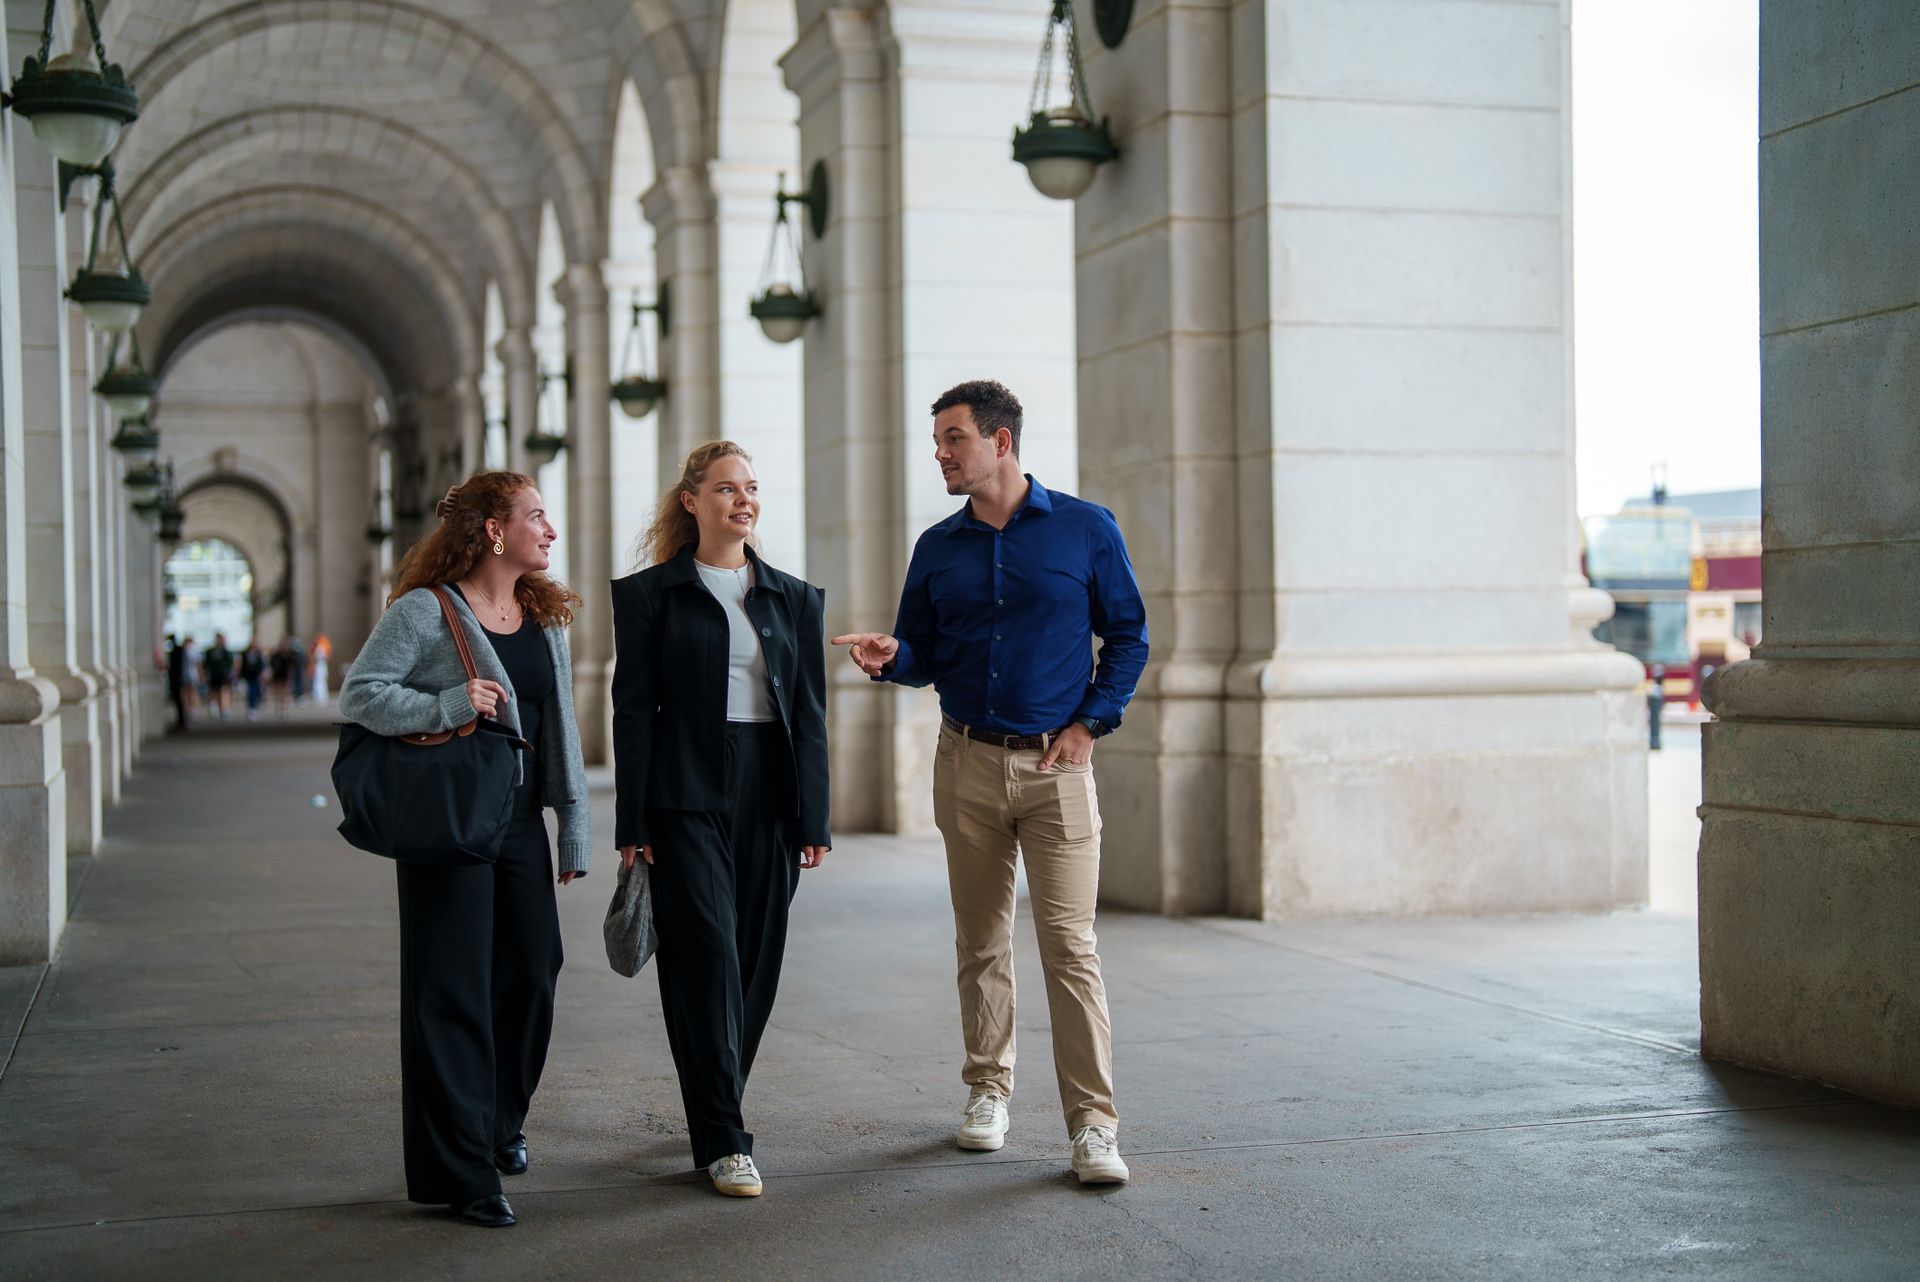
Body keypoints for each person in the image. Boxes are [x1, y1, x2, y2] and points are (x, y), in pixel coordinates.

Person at [832, 379, 1148, 1186]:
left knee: (1070, 948)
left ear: (1000, 442)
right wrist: (890, 657)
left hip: (1059, 769)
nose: (939, 453)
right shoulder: (939, 546)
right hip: (965, 762)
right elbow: (923, 651)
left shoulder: (1085, 529)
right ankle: (988, 1093)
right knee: (980, 941)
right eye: (938, 440)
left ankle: (1094, 1126)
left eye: (953, 439)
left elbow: (1130, 638)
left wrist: (1088, 725)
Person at [338, 471, 592, 1230]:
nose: (549, 531)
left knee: (534, 969)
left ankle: (498, 1120)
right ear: (491, 529)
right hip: (448, 821)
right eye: (537, 516)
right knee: (449, 991)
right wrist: (451, 701)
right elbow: (361, 693)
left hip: (516, 824)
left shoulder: (542, 617)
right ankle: (461, 1172)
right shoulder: (425, 611)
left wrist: (571, 819)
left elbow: (562, 729)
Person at [611, 440, 830, 1199]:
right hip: (683, 791)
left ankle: (715, 1093)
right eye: (727, 488)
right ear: (691, 502)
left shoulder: (794, 598)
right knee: (705, 952)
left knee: (754, 962)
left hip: (771, 789)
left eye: (752, 488)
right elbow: (633, 710)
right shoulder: (648, 596)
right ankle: (724, 1135)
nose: (744, 500)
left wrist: (816, 819)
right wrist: (630, 819)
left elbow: (808, 715)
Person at [203, 633, 235, 721]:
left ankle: (224, 709)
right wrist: (204, 675)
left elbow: (231, 664)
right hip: (214, 675)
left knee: (223, 692)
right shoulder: (210, 652)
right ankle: (214, 705)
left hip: (224, 675)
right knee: (213, 692)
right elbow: (206, 665)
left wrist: (231, 674)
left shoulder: (226, 652)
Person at [164, 634, 189, 733]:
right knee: (179, 702)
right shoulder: (179, 650)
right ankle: (181, 721)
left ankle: (182, 722)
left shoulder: (176, 651)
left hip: (176, 680)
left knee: (179, 701)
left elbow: (174, 667)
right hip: (178, 679)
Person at [239, 639, 268, 721]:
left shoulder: (259, 654)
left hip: (257, 676)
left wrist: (263, 674)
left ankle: (254, 707)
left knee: (257, 692)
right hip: (249, 676)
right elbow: (242, 666)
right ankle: (251, 708)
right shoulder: (245, 654)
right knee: (251, 692)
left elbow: (262, 665)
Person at [269, 641, 293, 720]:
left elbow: (290, 667)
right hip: (277, 677)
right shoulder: (276, 656)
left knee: (285, 694)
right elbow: (272, 665)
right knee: (278, 693)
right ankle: (278, 708)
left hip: (285, 677)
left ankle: (285, 710)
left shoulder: (288, 656)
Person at [310, 633, 333, 706]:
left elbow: (322, 657)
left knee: (320, 681)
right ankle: (319, 697)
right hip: (320, 666)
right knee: (319, 681)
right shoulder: (321, 646)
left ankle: (321, 697)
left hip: (321, 666)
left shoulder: (320, 646)